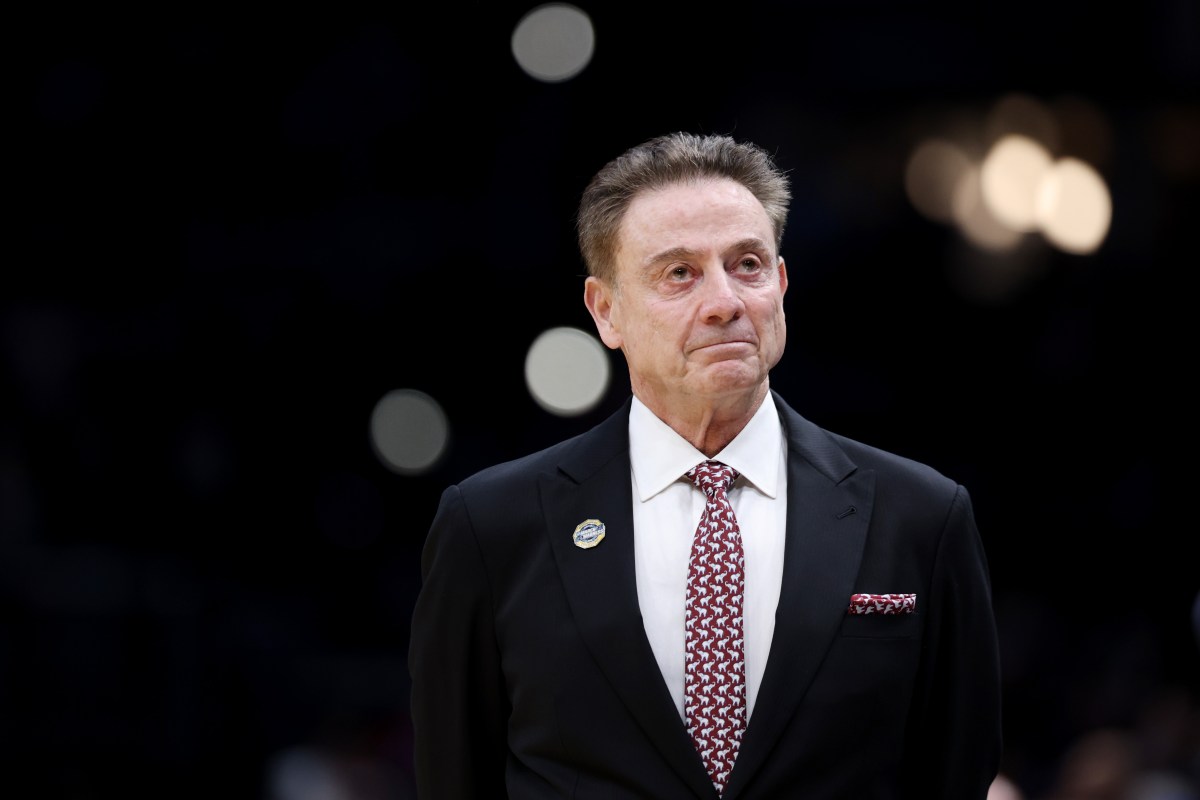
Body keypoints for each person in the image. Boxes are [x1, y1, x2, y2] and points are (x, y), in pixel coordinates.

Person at [407, 131, 1003, 799]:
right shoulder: (491, 526)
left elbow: (957, 769)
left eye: (747, 264)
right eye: (679, 274)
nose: (725, 302)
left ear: (781, 284)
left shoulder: (922, 516)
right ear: (606, 311)